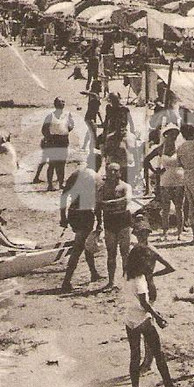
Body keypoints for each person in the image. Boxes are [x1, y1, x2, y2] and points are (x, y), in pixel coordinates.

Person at [124, 220, 182, 387]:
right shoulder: (142, 275)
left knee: (134, 355)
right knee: (158, 352)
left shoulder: (127, 276)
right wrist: (157, 317)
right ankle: (169, 386)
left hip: (130, 319)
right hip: (143, 315)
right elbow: (144, 303)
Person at [59, 152, 101, 291]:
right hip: (86, 213)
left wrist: (63, 217)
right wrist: (100, 220)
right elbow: (98, 202)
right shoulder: (96, 177)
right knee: (78, 247)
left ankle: (93, 273)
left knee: (84, 242)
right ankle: (66, 281)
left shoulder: (75, 174)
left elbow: (64, 196)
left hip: (73, 213)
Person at [145, 124, 185, 238]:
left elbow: (185, 162)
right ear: (166, 135)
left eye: (175, 134)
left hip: (179, 178)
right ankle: (165, 231)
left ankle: (179, 231)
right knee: (165, 207)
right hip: (166, 179)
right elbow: (146, 160)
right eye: (171, 134)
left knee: (179, 207)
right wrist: (155, 171)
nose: (174, 136)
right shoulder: (159, 148)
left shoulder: (179, 148)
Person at [97, 162, 133, 289]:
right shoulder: (103, 188)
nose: (113, 173)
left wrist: (108, 203)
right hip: (110, 221)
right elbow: (99, 204)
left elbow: (126, 201)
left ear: (120, 172)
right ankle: (111, 281)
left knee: (125, 253)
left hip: (123, 220)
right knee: (111, 254)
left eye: (115, 170)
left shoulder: (125, 186)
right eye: (110, 170)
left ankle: (126, 279)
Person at [41, 97, 74, 191]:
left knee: (62, 163)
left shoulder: (67, 114)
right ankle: (50, 184)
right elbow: (44, 129)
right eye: (60, 102)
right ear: (55, 104)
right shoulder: (50, 116)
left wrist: (66, 129)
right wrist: (49, 139)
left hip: (63, 140)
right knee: (52, 163)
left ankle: (61, 183)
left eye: (63, 102)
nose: (62, 103)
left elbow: (71, 125)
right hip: (53, 140)